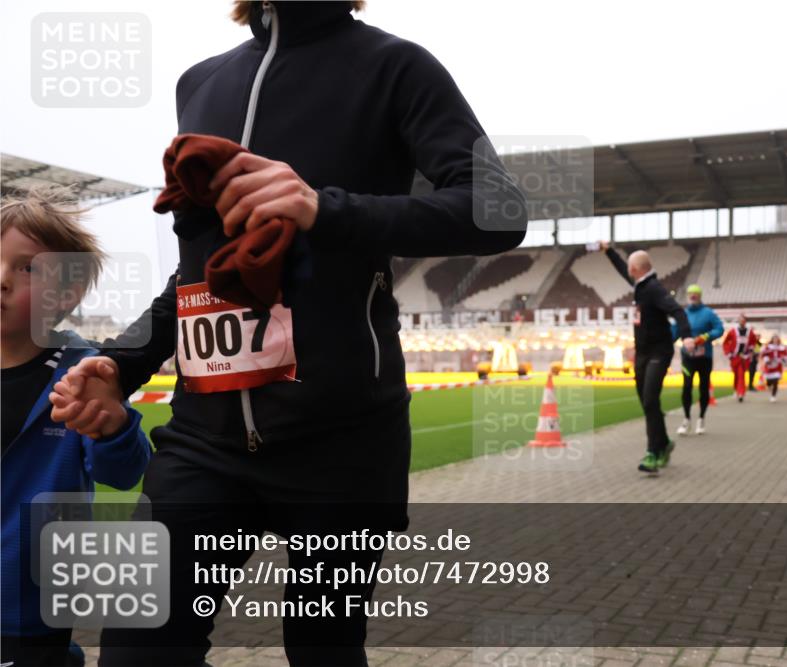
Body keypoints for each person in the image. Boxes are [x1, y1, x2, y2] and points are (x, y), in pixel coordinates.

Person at [48, 2, 528, 665]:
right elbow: (202, 272)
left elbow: (497, 208)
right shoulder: (199, 83)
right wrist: (122, 363)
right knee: (136, 648)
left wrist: (322, 207)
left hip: (342, 438)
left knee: (323, 650)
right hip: (201, 439)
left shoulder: (397, 67)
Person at [1, 187, 152, 667]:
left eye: (27, 268)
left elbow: (124, 472)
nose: (1, 279)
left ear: (67, 294)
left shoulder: (85, 372)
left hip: (29, 612)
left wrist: (115, 426)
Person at [601, 242, 694, 473]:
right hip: (642, 353)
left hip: (658, 352)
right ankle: (663, 443)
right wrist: (609, 251)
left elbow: (677, 311)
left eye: (630, 268)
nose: (628, 271)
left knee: (651, 400)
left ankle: (652, 452)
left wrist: (687, 336)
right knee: (646, 402)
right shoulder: (641, 284)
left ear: (637, 269)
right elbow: (623, 269)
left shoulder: (653, 289)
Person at [673, 285, 723, 435]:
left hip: (704, 358)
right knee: (687, 386)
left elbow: (719, 329)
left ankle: (701, 418)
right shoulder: (683, 314)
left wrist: (705, 337)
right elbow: (673, 333)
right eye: (690, 294)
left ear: (700, 296)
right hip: (687, 358)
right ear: (687, 296)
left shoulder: (708, 313)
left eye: (695, 294)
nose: (693, 296)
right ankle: (687, 419)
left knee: (703, 387)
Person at [721, 314, 759, 403]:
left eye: (743, 320)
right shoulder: (733, 331)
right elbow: (725, 342)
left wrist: (750, 350)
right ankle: (736, 389)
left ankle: (741, 393)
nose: (742, 322)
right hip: (734, 357)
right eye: (740, 320)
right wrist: (728, 353)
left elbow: (754, 342)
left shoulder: (750, 332)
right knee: (736, 375)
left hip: (744, 357)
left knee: (741, 374)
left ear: (745, 321)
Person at [760, 334, 787, 402]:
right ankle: (770, 387)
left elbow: (785, 356)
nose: (775, 340)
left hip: (777, 366)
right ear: (772, 340)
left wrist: (783, 360)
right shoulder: (768, 347)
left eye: (777, 339)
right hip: (769, 366)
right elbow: (763, 354)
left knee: (776, 381)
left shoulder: (782, 347)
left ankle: (773, 396)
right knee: (769, 382)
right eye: (774, 339)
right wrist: (767, 360)